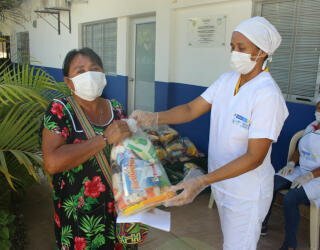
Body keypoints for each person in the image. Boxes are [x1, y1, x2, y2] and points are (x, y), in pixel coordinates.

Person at [131, 16, 288, 250]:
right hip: (222, 182)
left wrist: (201, 181)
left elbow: (255, 157)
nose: (235, 53)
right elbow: (191, 109)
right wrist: (154, 118)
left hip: (246, 193)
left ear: (262, 52)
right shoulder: (227, 80)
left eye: (242, 48)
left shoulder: (267, 95)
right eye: (232, 46)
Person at [41, 48, 146, 249]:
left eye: (94, 68)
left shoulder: (116, 108)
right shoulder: (60, 110)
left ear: (103, 74)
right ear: (68, 81)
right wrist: (104, 138)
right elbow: (51, 163)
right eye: (80, 71)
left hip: (120, 210)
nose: (89, 75)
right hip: (80, 219)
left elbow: (127, 154)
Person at [261, 96, 320, 250]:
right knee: (271, 183)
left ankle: (290, 244)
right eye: (318, 108)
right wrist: (291, 163)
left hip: (317, 178)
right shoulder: (312, 126)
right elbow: (301, 149)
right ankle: (262, 224)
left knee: (290, 199)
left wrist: (310, 176)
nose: (318, 112)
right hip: (301, 170)